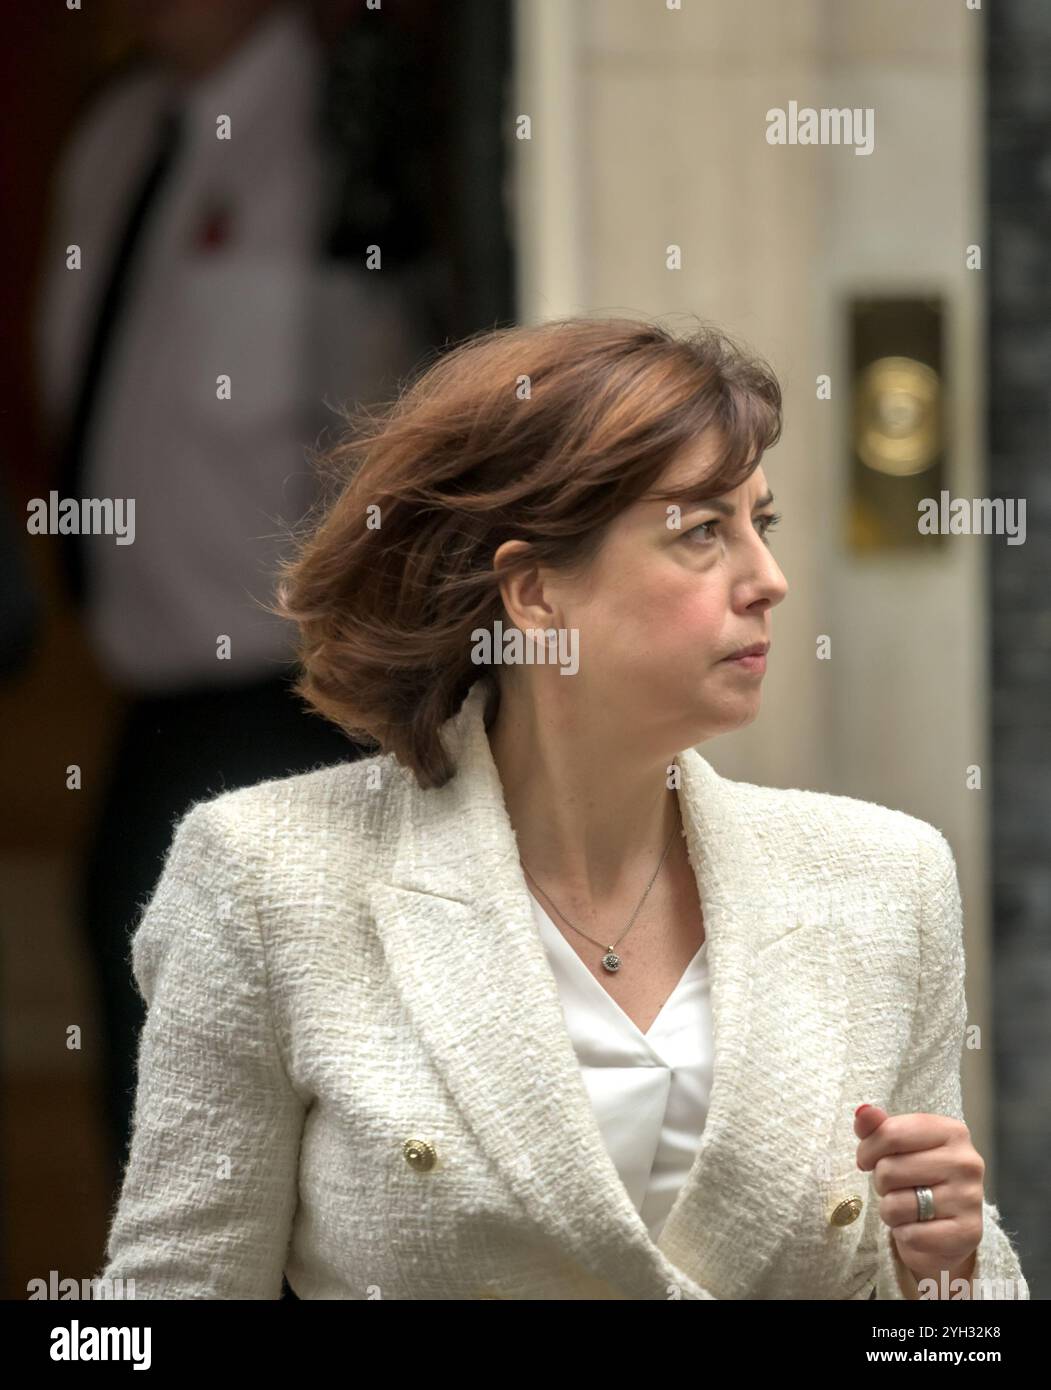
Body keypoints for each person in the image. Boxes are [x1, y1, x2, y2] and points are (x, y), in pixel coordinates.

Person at [94, 316, 1029, 1300]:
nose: (769, 580)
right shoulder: (264, 874)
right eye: (703, 531)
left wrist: (953, 1267)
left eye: (763, 523)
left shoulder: (886, 882)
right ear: (535, 593)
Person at [32, 0, 429, 1175]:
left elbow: (397, 448)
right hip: (150, 705)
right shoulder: (117, 140)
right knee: (158, 1111)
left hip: (299, 710)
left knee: (305, 1139)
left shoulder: (344, 135)